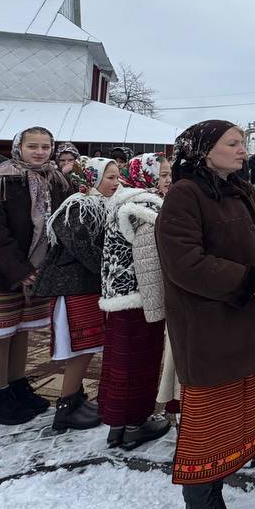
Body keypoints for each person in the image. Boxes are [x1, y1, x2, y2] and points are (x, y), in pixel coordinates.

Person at [156, 120, 255, 509]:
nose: (242, 150)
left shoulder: (242, 190)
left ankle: (213, 508)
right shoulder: (185, 195)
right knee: (206, 424)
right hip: (207, 327)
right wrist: (249, 282)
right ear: (204, 150)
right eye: (232, 143)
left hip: (244, 323)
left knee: (232, 419)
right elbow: (185, 262)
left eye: (243, 143)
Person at [0, 127, 73, 425]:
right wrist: (19, 269)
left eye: (45, 146)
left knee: (21, 330)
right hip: (2, 271)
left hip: (39, 269)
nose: (39, 152)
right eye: (33, 146)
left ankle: (17, 384)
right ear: (19, 147)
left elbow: (63, 222)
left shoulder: (57, 179)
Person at [97, 154, 173, 451]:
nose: (168, 180)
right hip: (140, 300)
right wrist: (157, 309)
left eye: (168, 174)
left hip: (119, 296)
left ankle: (117, 425)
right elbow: (148, 263)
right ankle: (134, 425)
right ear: (146, 175)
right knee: (139, 362)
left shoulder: (122, 201)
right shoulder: (145, 207)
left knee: (119, 361)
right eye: (162, 174)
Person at [36, 156, 114, 433]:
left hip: (87, 286)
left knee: (87, 346)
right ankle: (66, 408)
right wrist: (110, 266)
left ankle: (76, 397)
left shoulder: (99, 204)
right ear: (92, 178)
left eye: (117, 177)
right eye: (110, 177)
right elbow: (82, 248)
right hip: (74, 288)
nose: (116, 183)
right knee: (79, 349)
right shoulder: (77, 206)